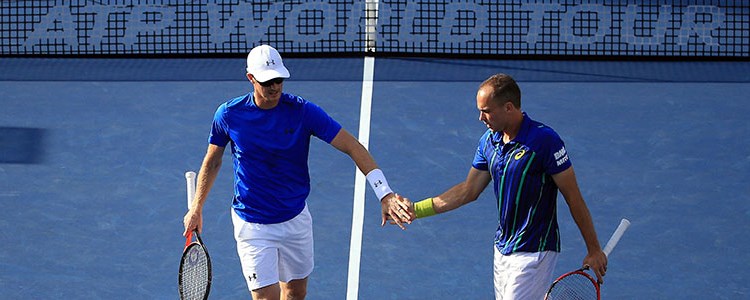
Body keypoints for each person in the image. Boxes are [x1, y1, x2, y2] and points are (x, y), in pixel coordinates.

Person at [182, 44, 412, 300]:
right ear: (251, 78)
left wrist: (385, 193)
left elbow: (352, 146)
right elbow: (213, 161)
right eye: (267, 81)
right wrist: (196, 207)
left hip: (295, 220)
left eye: (279, 79)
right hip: (253, 225)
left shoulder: (303, 112)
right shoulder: (229, 115)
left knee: (295, 293)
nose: (275, 87)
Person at [402, 73, 608, 299]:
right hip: (502, 249)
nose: (481, 117)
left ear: (509, 107)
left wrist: (594, 249)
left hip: (534, 250)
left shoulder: (545, 141)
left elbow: (573, 197)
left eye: (487, 111)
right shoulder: (489, 141)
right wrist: (416, 209)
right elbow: (468, 190)